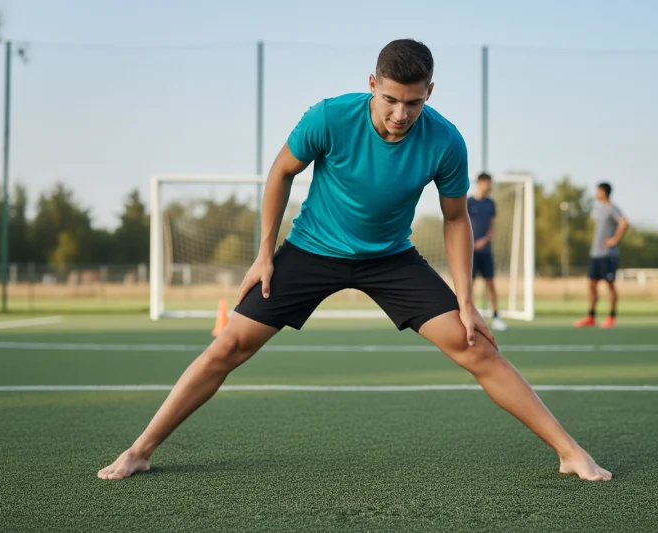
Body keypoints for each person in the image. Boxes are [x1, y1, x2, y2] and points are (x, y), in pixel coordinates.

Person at [98, 39, 611, 482]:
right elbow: (281, 173)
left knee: (475, 346)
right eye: (390, 98)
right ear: (372, 84)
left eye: (413, 102)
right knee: (228, 345)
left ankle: (570, 453)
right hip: (311, 250)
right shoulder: (329, 117)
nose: (400, 114)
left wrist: (466, 300)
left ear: (429, 92)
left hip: (391, 258)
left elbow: (456, 220)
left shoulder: (446, 141)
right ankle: (140, 451)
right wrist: (264, 256)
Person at [574, 182, 629, 328]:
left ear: (604, 192)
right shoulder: (599, 210)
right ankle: (591, 316)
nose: (596, 193)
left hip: (607, 254)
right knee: (592, 285)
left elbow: (624, 223)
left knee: (610, 285)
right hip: (595, 253)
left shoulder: (612, 208)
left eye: (598, 191)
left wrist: (614, 239)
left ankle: (612, 317)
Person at [467, 172, 508, 331]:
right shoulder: (469, 202)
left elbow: (492, 226)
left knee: (491, 283)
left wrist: (484, 241)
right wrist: (471, 242)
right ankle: (470, 315)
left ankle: (496, 317)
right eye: (488, 183)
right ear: (481, 183)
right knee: (470, 284)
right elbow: (462, 224)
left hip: (486, 251)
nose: (490, 186)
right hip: (471, 251)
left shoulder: (491, 204)